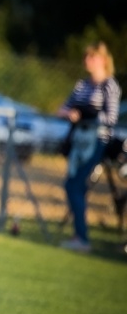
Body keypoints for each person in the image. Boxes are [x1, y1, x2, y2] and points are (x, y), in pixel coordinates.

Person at [57, 42, 121, 253]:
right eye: (86, 57)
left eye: (92, 57)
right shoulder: (82, 85)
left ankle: (82, 237)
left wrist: (88, 116)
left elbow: (111, 118)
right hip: (79, 140)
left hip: (97, 141)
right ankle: (79, 234)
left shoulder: (109, 85)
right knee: (74, 186)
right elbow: (62, 109)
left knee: (74, 186)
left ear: (102, 60)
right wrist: (70, 114)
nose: (87, 61)